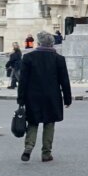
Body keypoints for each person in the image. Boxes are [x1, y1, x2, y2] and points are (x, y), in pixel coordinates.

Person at [16, 31, 72, 163]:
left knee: (33, 122)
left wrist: (21, 98)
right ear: (52, 43)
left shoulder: (28, 57)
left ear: (39, 42)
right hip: (52, 96)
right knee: (49, 123)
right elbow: (64, 81)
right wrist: (68, 98)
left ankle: (29, 146)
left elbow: (23, 81)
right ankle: (46, 153)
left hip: (32, 95)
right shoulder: (59, 59)